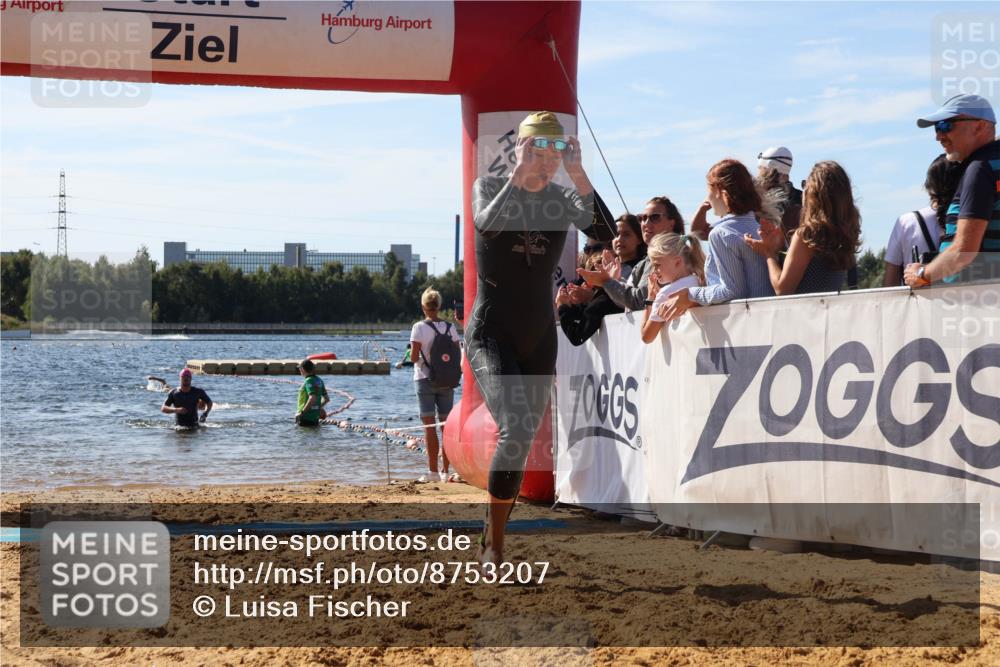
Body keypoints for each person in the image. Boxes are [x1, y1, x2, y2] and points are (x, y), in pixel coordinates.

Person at [469, 111, 616, 564]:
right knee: (513, 429)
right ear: (520, 148)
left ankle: (492, 532)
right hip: (491, 331)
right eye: (539, 149)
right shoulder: (491, 188)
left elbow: (607, 234)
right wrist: (518, 175)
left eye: (556, 150)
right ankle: (495, 548)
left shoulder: (560, 197)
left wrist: (577, 172)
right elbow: (487, 226)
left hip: (538, 335)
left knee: (522, 435)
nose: (547, 160)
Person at [660, 159, 775, 322]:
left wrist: (691, 294)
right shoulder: (764, 226)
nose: (707, 197)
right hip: (769, 318)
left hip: (745, 324)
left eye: (708, 188)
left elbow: (732, 291)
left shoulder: (721, 233)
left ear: (720, 191)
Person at [905, 94, 1000, 288]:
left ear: (980, 126)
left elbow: (963, 252)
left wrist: (922, 274)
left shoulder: (981, 168)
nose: (938, 136)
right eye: (937, 127)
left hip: (977, 301)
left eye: (946, 125)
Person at [744, 161, 861, 295]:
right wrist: (781, 247)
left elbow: (782, 289)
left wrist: (768, 253)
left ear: (813, 194)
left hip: (805, 313)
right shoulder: (846, 232)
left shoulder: (807, 236)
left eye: (806, 185)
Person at [578, 196, 683, 311]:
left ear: (671, 224)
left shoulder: (670, 254)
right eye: (642, 218)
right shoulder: (647, 260)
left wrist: (607, 281)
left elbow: (640, 301)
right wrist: (614, 280)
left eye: (655, 217)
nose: (646, 223)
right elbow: (628, 304)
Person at [558, 213, 647, 345]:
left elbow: (633, 302)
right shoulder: (603, 268)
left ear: (639, 239)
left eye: (626, 234)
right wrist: (573, 302)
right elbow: (593, 311)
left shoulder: (643, 267)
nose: (619, 239)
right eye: (616, 235)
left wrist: (563, 307)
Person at [883, 155, 965, 286]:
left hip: (918, 304)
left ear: (929, 186)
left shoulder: (906, 222)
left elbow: (890, 282)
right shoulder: (973, 221)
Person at [410, 287, 462, 483]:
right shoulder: (450, 328)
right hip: (447, 381)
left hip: (425, 379)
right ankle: (446, 471)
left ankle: (432, 473)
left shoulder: (419, 327)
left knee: (429, 426)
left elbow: (414, 357)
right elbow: (457, 354)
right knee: (446, 427)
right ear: (439, 306)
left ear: (423, 306)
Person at [641, 233, 706, 343]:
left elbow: (646, 337)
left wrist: (650, 298)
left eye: (657, 265)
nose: (654, 270)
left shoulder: (666, 293)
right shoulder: (701, 281)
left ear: (677, 261)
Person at [295, 359, 329, 426]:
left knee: (302, 435)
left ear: (303, 369)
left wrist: (302, 413)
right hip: (315, 417)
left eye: (300, 368)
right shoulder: (319, 380)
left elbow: (312, 398)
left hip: (305, 417)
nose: (299, 371)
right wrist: (318, 407)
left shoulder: (308, 380)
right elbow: (326, 399)